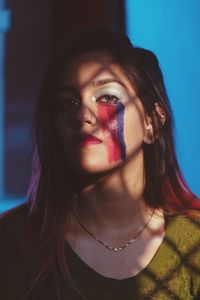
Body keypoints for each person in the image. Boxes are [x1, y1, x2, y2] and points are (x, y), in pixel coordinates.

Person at [0, 29, 200, 300]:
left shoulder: (194, 244)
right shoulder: (11, 242)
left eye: (107, 97)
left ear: (152, 122)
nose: (82, 114)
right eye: (68, 102)